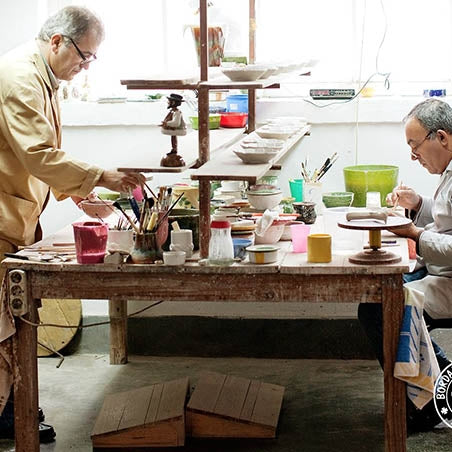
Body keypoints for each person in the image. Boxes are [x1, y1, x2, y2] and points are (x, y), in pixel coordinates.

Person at [0, 6, 145, 442]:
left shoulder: (44, 76)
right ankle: (9, 414)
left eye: (92, 58)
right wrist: (102, 176)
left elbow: (34, 153)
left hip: (15, 210)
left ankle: (10, 407)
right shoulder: (20, 78)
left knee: (8, 321)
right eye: (85, 56)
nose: (86, 66)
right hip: (3, 214)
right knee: (2, 323)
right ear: (57, 41)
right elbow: (38, 154)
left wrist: (80, 193)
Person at [358, 98, 452, 433]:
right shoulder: (448, 171)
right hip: (440, 271)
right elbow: (446, 223)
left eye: (415, 145)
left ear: (442, 137)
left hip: (448, 280)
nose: (413, 155)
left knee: (382, 306)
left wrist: (413, 232)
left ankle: (437, 395)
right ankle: (431, 392)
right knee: (378, 297)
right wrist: (419, 203)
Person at [160, 93, 187, 167]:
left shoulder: (177, 112)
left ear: (173, 102)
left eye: (169, 101)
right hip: (176, 129)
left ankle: (174, 149)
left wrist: (166, 123)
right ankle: (173, 149)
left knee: (171, 135)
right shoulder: (173, 111)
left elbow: (176, 123)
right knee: (173, 137)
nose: (167, 102)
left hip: (179, 129)